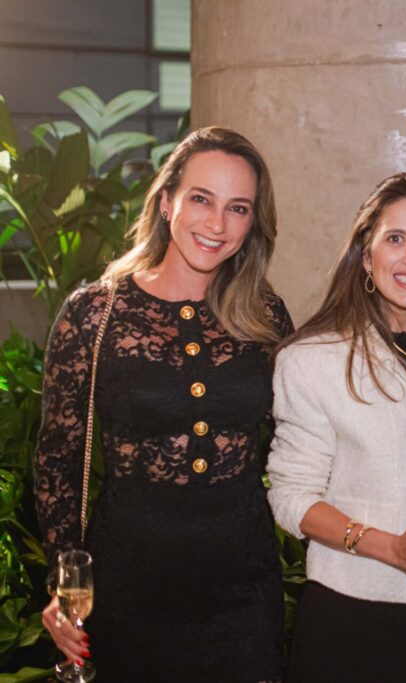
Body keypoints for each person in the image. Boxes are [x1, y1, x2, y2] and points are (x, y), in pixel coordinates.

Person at [35, 126, 293, 682]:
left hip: (243, 592)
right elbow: (58, 462)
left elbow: (295, 441)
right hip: (127, 589)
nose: (217, 224)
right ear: (167, 200)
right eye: (201, 199)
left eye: (238, 208)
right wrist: (64, 584)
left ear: (252, 223)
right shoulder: (94, 314)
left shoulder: (265, 317)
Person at [266, 171, 406, 682]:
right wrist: (389, 547)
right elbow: (290, 496)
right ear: (366, 257)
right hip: (358, 616)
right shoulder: (313, 360)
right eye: (395, 239)